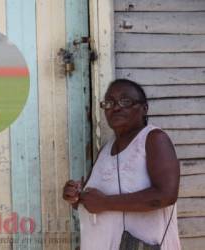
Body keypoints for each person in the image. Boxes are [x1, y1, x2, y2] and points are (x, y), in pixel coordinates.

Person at [63, 79, 181, 250]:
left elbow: (166, 195)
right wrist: (75, 196)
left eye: (125, 101)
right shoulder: (106, 148)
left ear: (144, 108)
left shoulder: (153, 139)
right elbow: (91, 199)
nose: (115, 107)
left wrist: (105, 203)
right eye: (109, 102)